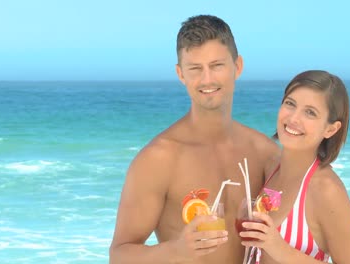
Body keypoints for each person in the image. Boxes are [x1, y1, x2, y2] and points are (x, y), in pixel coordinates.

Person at [109, 15, 279, 264]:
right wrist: (176, 251)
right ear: (181, 74)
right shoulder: (160, 158)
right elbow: (119, 255)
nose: (207, 79)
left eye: (217, 65)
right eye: (195, 68)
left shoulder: (263, 151)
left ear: (238, 66)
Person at [238, 70, 350, 263]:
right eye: (290, 104)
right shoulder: (271, 169)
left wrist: (278, 247)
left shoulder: (325, 189)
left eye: (310, 112)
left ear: (330, 129)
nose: (293, 118)